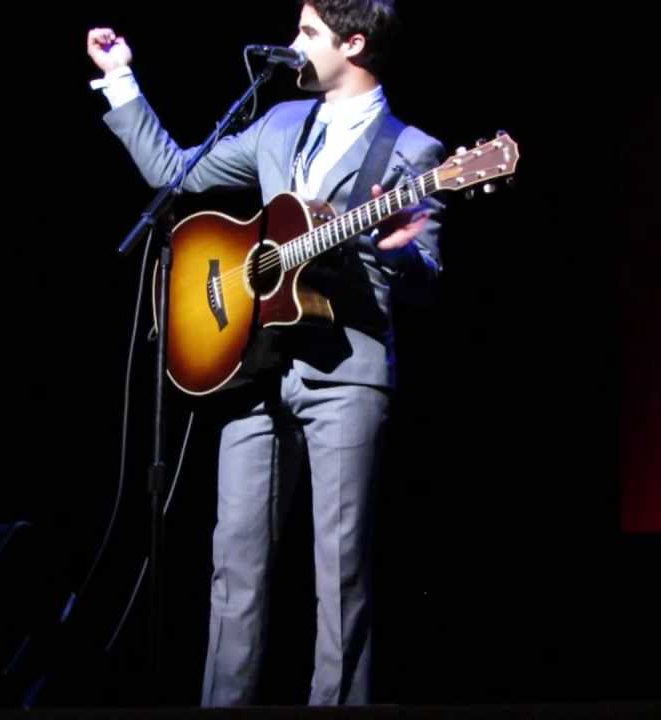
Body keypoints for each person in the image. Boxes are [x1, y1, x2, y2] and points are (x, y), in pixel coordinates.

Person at [85, 0, 445, 707]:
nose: (292, 44)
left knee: (339, 575)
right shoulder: (281, 123)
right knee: (233, 568)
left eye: (307, 33)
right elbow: (177, 175)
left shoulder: (414, 150)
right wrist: (122, 81)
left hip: (346, 370)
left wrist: (400, 251)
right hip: (254, 363)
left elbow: (427, 274)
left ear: (355, 43)